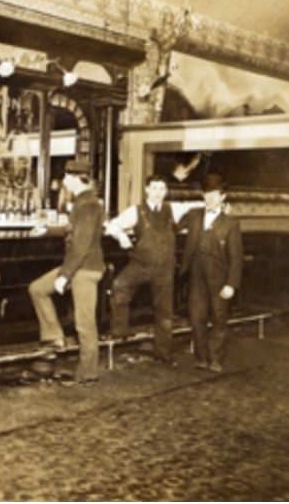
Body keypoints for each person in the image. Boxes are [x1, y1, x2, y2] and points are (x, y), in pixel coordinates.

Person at [28, 159, 105, 384]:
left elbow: (81, 244)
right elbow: (73, 230)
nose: (63, 181)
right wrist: (47, 230)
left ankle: (88, 373)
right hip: (78, 266)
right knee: (37, 289)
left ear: (74, 179)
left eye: (65, 177)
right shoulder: (84, 202)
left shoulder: (88, 205)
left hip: (85, 269)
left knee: (84, 323)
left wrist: (65, 275)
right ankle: (53, 338)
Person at [104, 174, 191, 367]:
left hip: (165, 268)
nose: (158, 193)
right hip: (140, 265)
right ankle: (120, 332)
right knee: (119, 286)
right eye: (154, 188)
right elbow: (111, 225)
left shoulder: (172, 209)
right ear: (147, 190)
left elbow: (195, 209)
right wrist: (121, 236)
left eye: (162, 189)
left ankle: (164, 353)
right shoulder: (136, 211)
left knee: (164, 312)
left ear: (166, 191)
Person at [178, 173, 243, 373]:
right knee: (196, 317)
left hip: (219, 277)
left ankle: (215, 359)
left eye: (215, 194)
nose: (210, 198)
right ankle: (201, 358)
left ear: (223, 197)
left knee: (219, 318)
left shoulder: (231, 223)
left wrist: (231, 284)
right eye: (207, 194)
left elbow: (236, 257)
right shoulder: (194, 215)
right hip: (196, 275)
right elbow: (174, 225)